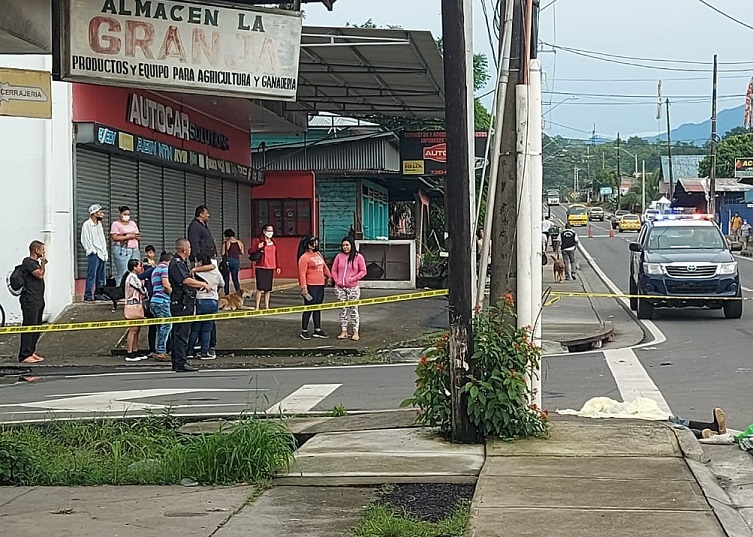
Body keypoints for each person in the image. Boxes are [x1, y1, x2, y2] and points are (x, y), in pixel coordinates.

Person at [168, 239, 212, 372]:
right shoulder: (176, 264)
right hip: (181, 303)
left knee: (179, 333)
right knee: (181, 333)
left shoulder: (182, 263)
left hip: (184, 301)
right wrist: (203, 284)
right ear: (184, 250)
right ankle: (181, 362)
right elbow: (185, 280)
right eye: (190, 248)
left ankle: (178, 361)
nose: (191, 250)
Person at [331, 237, 368, 341]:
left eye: (347, 245)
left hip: (353, 287)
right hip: (340, 288)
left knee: (353, 309)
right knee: (342, 310)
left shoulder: (358, 257)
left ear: (351, 245)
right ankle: (344, 331)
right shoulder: (339, 256)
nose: (345, 247)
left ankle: (355, 331)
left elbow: (363, 271)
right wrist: (337, 280)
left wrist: (353, 279)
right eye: (343, 245)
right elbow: (334, 270)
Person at [188, 256, 224, 360]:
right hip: (212, 301)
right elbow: (222, 284)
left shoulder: (195, 273)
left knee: (195, 328)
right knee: (207, 329)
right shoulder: (216, 273)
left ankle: (189, 351)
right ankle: (204, 352)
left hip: (198, 301)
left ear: (201, 261)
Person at [297, 235, 332, 340]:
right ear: (309, 245)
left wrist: (329, 276)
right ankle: (304, 330)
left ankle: (317, 329)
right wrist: (304, 288)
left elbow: (324, 266)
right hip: (310, 286)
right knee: (309, 308)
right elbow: (302, 274)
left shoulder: (318, 254)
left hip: (320, 285)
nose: (316, 245)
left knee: (318, 307)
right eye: (314, 243)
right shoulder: (304, 258)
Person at [18, 241, 47, 364]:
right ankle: (24, 355)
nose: (44, 252)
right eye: (42, 249)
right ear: (36, 250)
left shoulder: (34, 263)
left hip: (38, 299)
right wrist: (43, 264)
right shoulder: (28, 262)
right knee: (29, 326)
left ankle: (31, 351)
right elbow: (39, 275)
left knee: (36, 326)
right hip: (30, 300)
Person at [81, 204, 108, 302]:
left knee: (101, 275)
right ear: (94, 213)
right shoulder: (87, 225)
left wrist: (104, 251)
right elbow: (85, 239)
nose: (102, 214)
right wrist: (92, 250)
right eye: (100, 212)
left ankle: (99, 294)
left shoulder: (99, 225)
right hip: (94, 253)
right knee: (92, 275)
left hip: (102, 253)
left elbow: (102, 239)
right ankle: (88, 295)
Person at [149, 251, 173, 362]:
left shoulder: (155, 270)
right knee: (167, 326)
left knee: (160, 327)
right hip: (162, 301)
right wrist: (172, 292)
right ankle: (161, 351)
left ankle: (160, 349)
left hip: (154, 300)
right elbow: (166, 285)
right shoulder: (165, 269)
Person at [123, 259, 149, 362]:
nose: (141, 268)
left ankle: (135, 350)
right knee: (133, 329)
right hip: (132, 305)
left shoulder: (134, 277)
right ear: (134, 267)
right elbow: (141, 289)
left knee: (137, 329)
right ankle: (129, 352)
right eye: (139, 266)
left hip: (137, 305)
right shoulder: (132, 277)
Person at [110, 205, 141, 284]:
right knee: (123, 272)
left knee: (135, 271)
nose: (127, 216)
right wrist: (128, 236)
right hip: (122, 250)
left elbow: (137, 235)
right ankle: (121, 291)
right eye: (125, 214)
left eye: (128, 214)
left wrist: (133, 236)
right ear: (120, 214)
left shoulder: (132, 223)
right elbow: (114, 237)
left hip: (134, 249)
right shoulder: (115, 224)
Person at [254, 224, 281, 310]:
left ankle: (266, 305)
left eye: (272, 231)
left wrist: (278, 266)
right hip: (261, 266)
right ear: (264, 231)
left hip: (270, 266)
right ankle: (257, 306)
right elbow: (251, 250)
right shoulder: (259, 241)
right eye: (269, 230)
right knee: (259, 287)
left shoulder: (273, 242)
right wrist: (258, 247)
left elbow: (276, 254)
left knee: (268, 288)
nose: (270, 232)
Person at [221, 229, 244, 295]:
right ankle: (239, 292)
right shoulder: (239, 242)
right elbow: (242, 252)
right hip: (236, 260)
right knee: (235, 278)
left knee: (226, 278)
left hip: (227, 261)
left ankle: (227, 293)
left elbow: (222, 253)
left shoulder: (226, 243)